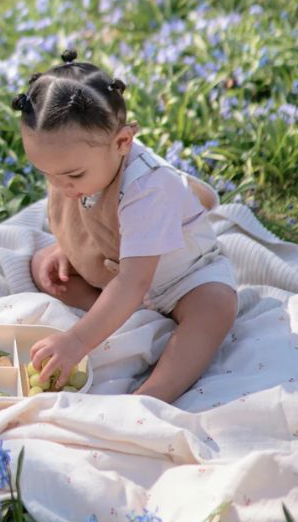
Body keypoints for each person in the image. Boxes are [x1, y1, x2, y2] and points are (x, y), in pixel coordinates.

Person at [12, 49, 238, 403]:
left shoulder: (148, 187)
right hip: (115, 264)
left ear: (122, 143)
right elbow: (94, 219)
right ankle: (125, 320)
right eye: (47, 175)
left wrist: (76, 341)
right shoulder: (79, 165)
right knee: (48, 270)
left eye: (72, 175)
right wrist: (65, 248)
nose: (60, 187)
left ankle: (153, 392)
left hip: (183, 278)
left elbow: (136, 280)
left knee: (216, 308)